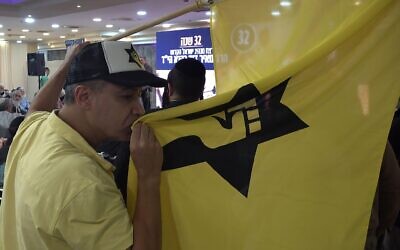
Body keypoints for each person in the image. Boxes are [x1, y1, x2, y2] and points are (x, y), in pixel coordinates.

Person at [0, 41, 167, 250]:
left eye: (139, 95)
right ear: (83, 97)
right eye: (126, 97)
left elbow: (37, 107)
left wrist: (67, 64)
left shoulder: (35, 129)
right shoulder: (84, 183)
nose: (139, 110)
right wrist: (149, 178)